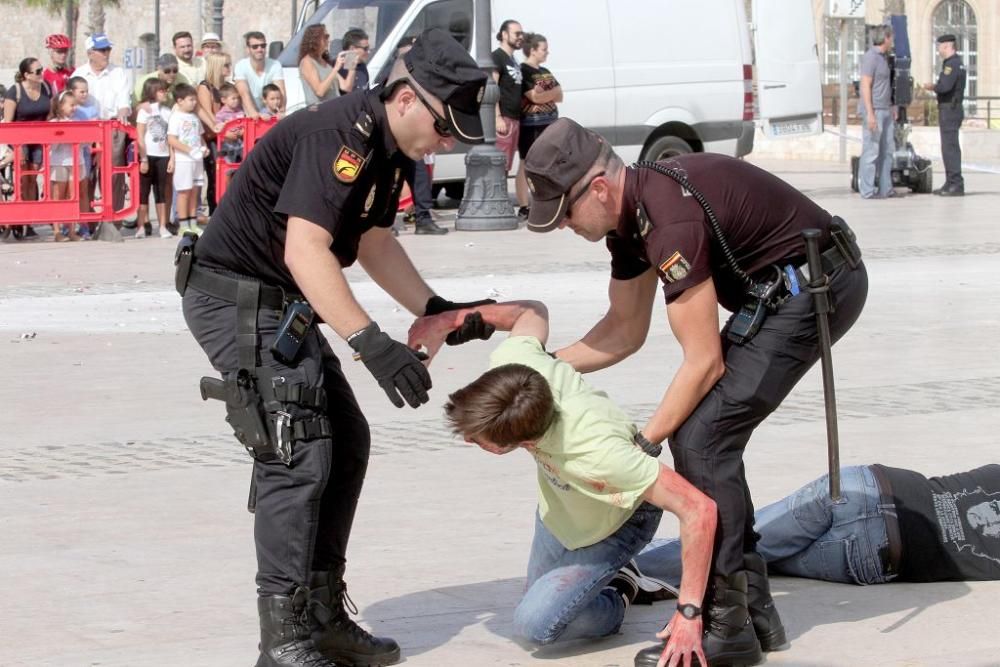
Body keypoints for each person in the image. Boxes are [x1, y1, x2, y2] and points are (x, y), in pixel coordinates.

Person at [177, 28, 489, 667]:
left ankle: (320, 617)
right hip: (232, 298)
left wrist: (433, 311)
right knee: (296, 450)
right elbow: (305, 248)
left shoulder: (389, 146)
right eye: (445, 126)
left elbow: (372, 242)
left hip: (278, 302)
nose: (450, 141)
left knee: (345, 440)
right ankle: (283, 639)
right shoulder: (338, 134)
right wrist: (369, 343)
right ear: (405, 98)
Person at [522, 118, 869, 666]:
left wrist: (642, 445)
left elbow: (703, 361)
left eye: (564, 212)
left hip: (817, 286)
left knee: (703, 438)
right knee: (704, 435)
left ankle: (726, 627)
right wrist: (536, 367)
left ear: (599, 188)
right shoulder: (631, 220)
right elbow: (623, 331)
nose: (564, 226)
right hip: (780, 289)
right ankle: (753, 613)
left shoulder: (668, 219)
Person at [408, 300, 717, 667]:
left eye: (477, 440)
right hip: (562, 508)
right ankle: (619, 574)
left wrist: (689, 613)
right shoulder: (517, 367)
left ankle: (620, 588)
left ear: (525, 442)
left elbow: (699, 509)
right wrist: (447, 320)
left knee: (536, 625)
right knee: (540, 605)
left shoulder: (599, 453)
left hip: (618, 517)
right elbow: (531, 312)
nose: (467, 441)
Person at [636, 463, 1000, 587]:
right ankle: (618, 572)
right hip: (876, 550)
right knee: (736, 550)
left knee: (734, 545)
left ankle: (619, 568)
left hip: (867, 486)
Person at [72, 33, 131, 212]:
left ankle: (113, 217)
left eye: (108, 49)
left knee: (112, 174)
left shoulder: (118, 73)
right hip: (86, 129)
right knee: (86, 175)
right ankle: (87, 218)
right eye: (102, 50)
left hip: (112, 128)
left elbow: (124, 102)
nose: (106, 53)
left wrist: (122, 113)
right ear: (90, 53)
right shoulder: (79, 74)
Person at [394, 35, 446, 236]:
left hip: (416, 138)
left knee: (421, 178)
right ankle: (386, 222)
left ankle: (423, 218)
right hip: (398, 138)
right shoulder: (391, 77)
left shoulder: (424, 77)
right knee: (391, 181)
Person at [2, 56, 54, 239]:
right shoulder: (14, 92)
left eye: (41, 70)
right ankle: (19, 218)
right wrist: (16, 147)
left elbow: (50, 113)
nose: (41, 74)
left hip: (39, 139)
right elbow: (8, 123)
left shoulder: (46, 87)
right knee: (22, 178)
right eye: (37, 71)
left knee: (33, 178)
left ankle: (30, 221)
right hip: (20, 139)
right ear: (26, 75)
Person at [515, 32, 561, 219]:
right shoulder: (524, 71)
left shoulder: (545, 72)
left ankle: (546, 201)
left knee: (549, 162)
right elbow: (533, 96)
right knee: (526, 163)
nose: (547, 53)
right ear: (533, 50)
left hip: (549, 123)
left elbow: (560, 95)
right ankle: (524, 205)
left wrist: (545, 94)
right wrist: (546, 94)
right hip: (530, 125)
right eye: (544, 49)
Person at [922, 34, 966, 197]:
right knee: (948, 147)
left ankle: (955, 183)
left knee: (950, 148)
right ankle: (950, 182)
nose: (938, 50)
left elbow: (945, 86)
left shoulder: (952, 65)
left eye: (940, 46)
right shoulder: (953, 63)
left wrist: (933, 86)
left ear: (947, 46)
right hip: (951, 109)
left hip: (950, 110)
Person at [858, 25, 897, 200]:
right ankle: (867, 190)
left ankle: (885, 188)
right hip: (874, 111)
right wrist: (870, 113)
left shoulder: (885, 58)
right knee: (871, 151)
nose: (892, 41)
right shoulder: (871, 57)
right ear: (886, 38)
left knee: (887, 151)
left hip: (886, 109)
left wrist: (892, 106)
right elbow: (865, 84)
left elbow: (886, 85)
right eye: (891, 38)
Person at [135, 78, 173, 239]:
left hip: (163, 155)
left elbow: (171, 136)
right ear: (152, 92)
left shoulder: (167, 111)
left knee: (161, 191)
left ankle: (162, 226)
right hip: (148, 155)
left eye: (165, 90)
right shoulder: (145, 111)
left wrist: (172, 158)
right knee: (143, 192)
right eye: (161, 90)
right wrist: (143, 158)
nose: (164, 93)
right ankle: (141, 226)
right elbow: (140, 135)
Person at [48, 89, 87, 242]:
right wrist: (62, 134)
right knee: (58, 197)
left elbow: (84, 144)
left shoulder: (76, 123)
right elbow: (52, 146)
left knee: (73, 197)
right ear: (60, 106)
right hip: (59, 162)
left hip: (75, 162)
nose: (74, 108)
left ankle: (71, 229)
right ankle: (57, 231)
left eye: (75, 105)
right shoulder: (53, 123)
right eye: (71, 105)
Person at [166, 83, 205, 235]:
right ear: (180, 101)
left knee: (195, 192)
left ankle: (193, 223)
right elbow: (172, 139)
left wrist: (204, 147)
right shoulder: (176, 117)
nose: (194, 103)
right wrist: (190, 150)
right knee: (184, 192)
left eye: (195, 100)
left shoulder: (194, 117)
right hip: (184, 160)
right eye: (191, 100)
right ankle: (183, 225)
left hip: (197, 161)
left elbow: (200, 136)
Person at [196, 52, 232, 216]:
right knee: (214, 176)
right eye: (226, 65)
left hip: (224, 135)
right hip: (211, 137)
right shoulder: (205, 87)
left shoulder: (224, 87)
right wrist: (222, 128)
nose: (229, 69)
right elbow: (208, 114)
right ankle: (213, 210)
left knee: (227, 175)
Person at [491, 19, 523, 176]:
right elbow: (492, 87)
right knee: (499, 166)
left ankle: (501, 199)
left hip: (514, 119)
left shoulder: (514, 60)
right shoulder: (497, 57)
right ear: (504, 34)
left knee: (506, 166)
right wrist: (497, 118)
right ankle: (497, 200)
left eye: (521, 34)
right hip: (504, 119)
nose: (520, 37)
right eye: (517, 33)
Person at [234, 31, 285, 119]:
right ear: (248, 49)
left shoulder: (275, 65)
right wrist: (253, 113)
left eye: (263, 46)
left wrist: (281, 111)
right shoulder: (240, 65)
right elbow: (243, 92)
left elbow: (281, 91)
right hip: (247, 114)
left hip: (270, 114)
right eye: (255, 47)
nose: (259, 49)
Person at [299, 24, 348, 106]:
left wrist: (352, 65)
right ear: (315, 39)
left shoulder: (324, 62)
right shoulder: (307, 62)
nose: (328, 40)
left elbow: (345, 86)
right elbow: (319, 91)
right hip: (319, 112)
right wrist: (335, 69)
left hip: (333, 109)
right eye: (325, 37)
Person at [215, 83, 245, 164]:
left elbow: (245, 125)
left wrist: (243, 131)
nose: (237, 100)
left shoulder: (241, 111)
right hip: (227, 146)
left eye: (238, 98)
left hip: (240, 144)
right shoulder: (220, 115)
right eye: (233, 98)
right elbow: (218, 129)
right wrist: (226, 133)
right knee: (228, 167)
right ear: (223, 100)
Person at [337, 28, 370, 93]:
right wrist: (351, 62)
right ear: (352, 49)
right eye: (365, 49)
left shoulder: (362, 66)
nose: (368, 51)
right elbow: (347, 89)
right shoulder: (339, 68)